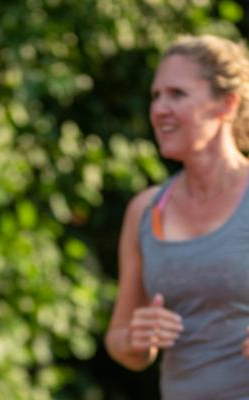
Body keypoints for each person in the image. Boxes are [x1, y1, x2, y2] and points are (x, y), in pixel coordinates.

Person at [105, 34, 249, 399]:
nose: (159, 109)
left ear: (227, 103)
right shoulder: (146, 209)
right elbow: (118, 338)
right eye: (156, 96)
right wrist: (135, 338)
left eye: (177, 94)